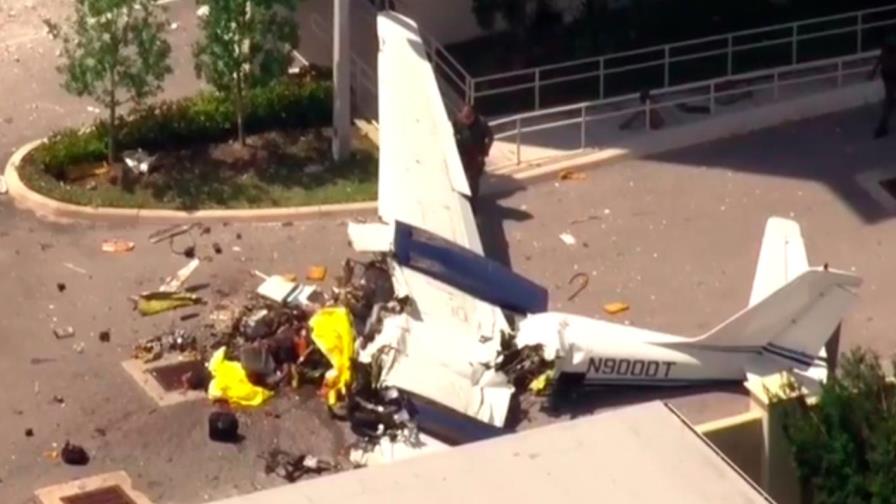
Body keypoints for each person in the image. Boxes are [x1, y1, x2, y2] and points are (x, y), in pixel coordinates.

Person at [453, 104, 494, 211]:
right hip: (462, 154)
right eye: (464, 118)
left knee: (473, 181)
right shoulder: (458, 121)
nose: (465, 121)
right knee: (461, 177)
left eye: (468, 119)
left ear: (473, 116)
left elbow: (490, 137)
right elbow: (454, 131)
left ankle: (472, 203)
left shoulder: (481, 123)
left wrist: (485, 151)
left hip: (476, 156)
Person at [869, 35, 896, 139]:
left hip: (889, 77)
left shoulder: (886, 53)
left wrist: (873, 72)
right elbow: (879, 61)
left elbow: (879, 61)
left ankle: (883, 126)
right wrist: (873, 72)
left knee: (889, 100)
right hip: (889, 78)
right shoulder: (886, 53)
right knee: (888, 100)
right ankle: (883, 126)